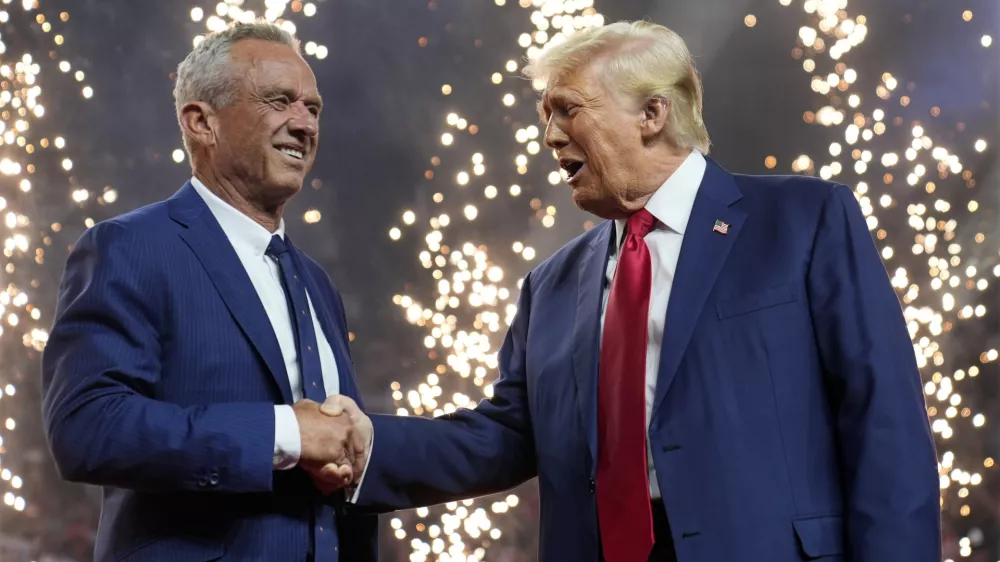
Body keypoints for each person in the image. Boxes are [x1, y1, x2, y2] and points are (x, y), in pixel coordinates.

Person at [328, 20, 942, 562]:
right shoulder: (549, 285)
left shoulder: (804, 220)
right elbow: (505, 437)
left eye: (567, 109)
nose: (549, 136)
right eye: (546, 115)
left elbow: (882, 418)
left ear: (652, 114)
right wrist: (363, 444)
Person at [41, 21, 375, 561]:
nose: (303, 124)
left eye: (312, 109)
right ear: (202, 122)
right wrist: (285, 432)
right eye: (279, 101)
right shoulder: (129, 247)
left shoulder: (317, 284)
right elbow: (87, 427)